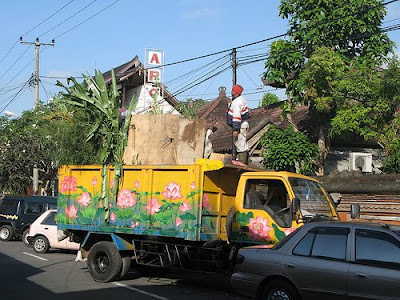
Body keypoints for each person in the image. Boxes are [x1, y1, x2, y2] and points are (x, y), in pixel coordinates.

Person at [227, 84, 250, 164]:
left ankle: (243, 165)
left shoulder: (237, 103)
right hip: (243, 124)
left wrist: (235, 129)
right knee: (243, 145)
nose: (231, 91)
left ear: (235, 92)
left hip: (240, 126)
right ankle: (246, 163)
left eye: (232, 90)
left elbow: (236, 117)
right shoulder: (240, 100)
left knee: (240, 146)